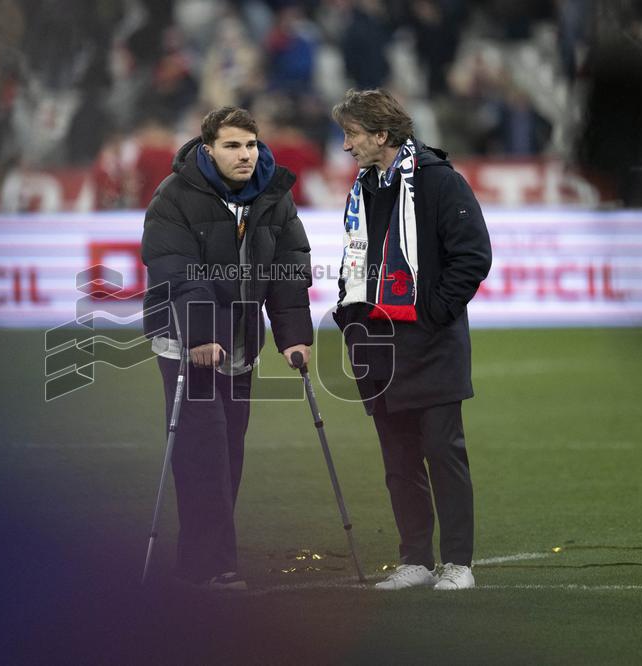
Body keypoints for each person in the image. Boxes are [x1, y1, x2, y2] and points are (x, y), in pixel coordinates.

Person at [141, 106, 313, 589]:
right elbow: (174, 268)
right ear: (208, 148)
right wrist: (199, 335)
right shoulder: (173, 196)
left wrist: (293, 333)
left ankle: (205, 558)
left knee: (229, 451)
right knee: (203, 450)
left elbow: (289, 263)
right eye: (233, 145)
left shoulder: (273, 193)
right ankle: (210, 565)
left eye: (251, 145)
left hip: (238, 345)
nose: (245, 155)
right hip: (187, 344)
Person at [330, 89, 491, 591]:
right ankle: (416, 560)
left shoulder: (440, 181)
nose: (346, 145)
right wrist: (350, 311)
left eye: (352, 134)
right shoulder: (366, 188)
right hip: (377, 346)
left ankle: (459, 563)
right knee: (398, 463)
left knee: (443, 454)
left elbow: (473, 256)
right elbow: (355, 260)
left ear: (381, 135)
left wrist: (432, 314)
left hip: (430, 344)